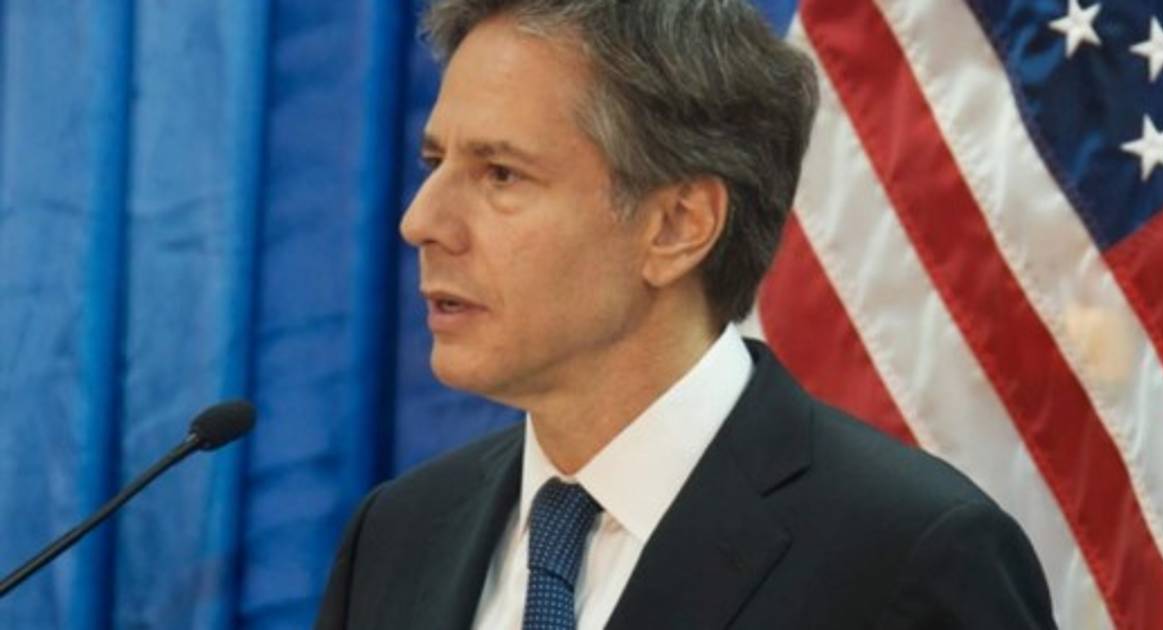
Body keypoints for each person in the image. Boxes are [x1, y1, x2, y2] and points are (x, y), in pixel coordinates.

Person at [316, 0, 1056, 628]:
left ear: (677, 226)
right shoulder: (396, 535)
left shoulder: (910, 558)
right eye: (434, 163)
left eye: (501, 174)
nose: (420, 221)